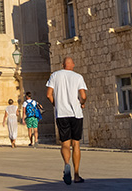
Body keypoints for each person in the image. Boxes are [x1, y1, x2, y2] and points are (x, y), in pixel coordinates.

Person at [47, 57, 87, 185]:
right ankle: (76, 175)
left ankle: (66, 164)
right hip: (76, 114)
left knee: (65, 144)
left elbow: (48, 94)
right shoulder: (78, 77)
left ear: (62, 65)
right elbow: (83, 96)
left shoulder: (55, 75)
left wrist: (56, 104)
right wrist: (82, 103)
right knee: (76, 144)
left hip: (61, 114)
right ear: (73, 65)